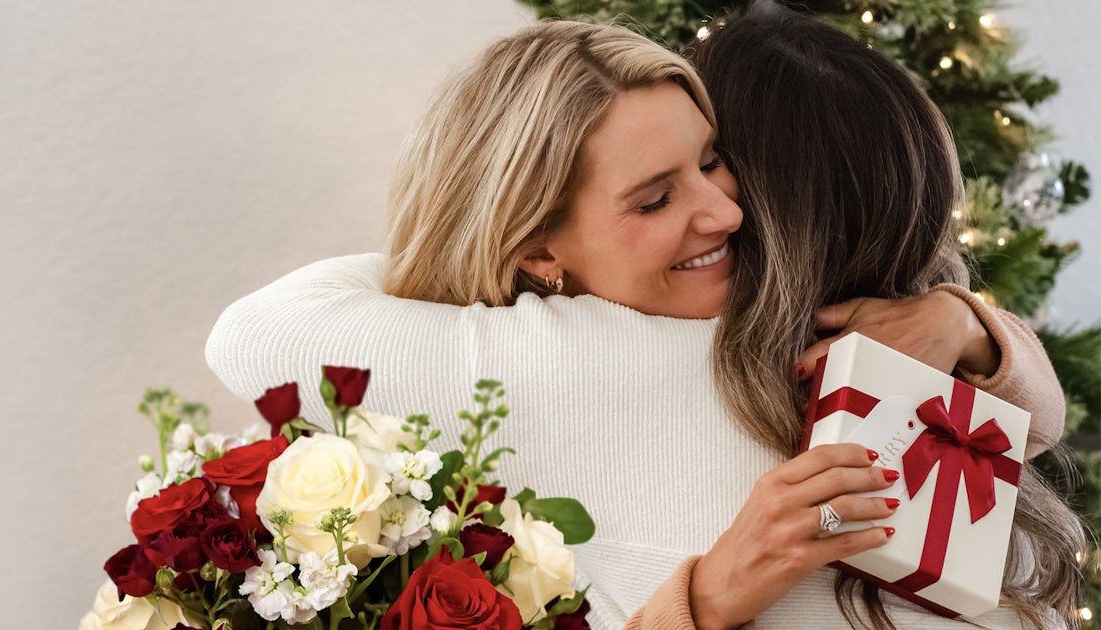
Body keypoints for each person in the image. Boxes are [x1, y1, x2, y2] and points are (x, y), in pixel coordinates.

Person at [204, 8, 1077, 630]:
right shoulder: (866, 349)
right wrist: (966, 323)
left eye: (713, 161)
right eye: (654, 198)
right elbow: (1037, 425)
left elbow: (256, 335)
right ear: (533, 245)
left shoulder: (541, 352)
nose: (725, 212)